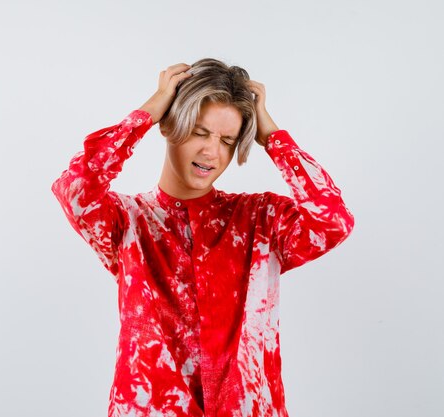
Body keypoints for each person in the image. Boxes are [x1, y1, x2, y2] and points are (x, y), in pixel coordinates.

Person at [51, 58, 355, 417]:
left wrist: (273, 138)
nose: (212, 152)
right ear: (169, 126)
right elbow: (74, 188)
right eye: (198, 132)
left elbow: (332, 219)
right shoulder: (125, 222)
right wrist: (148, 112)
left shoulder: (261, 221)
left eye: (227, 140)